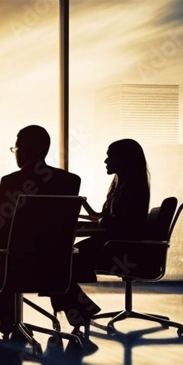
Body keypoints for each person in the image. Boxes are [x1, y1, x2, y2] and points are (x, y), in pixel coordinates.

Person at [0, 125, 81, 333]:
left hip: (14, 267)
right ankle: (7, 312)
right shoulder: (69, 180)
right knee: (21, 249)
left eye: (16, 148)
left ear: (23, 150)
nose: (16, 153)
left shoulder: (12, 182)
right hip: (53, 266)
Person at [50, 138, 151, 332]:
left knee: (59, 261)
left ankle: (79, 307)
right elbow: (109, 219)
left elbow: (117, 224)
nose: (106, 161)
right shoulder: (125, 186)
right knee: (59, 260)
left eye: (109, 156)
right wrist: (87, 213)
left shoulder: (131, 190)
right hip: (113, 244)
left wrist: (94, 222)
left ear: (123, 160)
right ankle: (77, 307)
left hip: (117, 248)